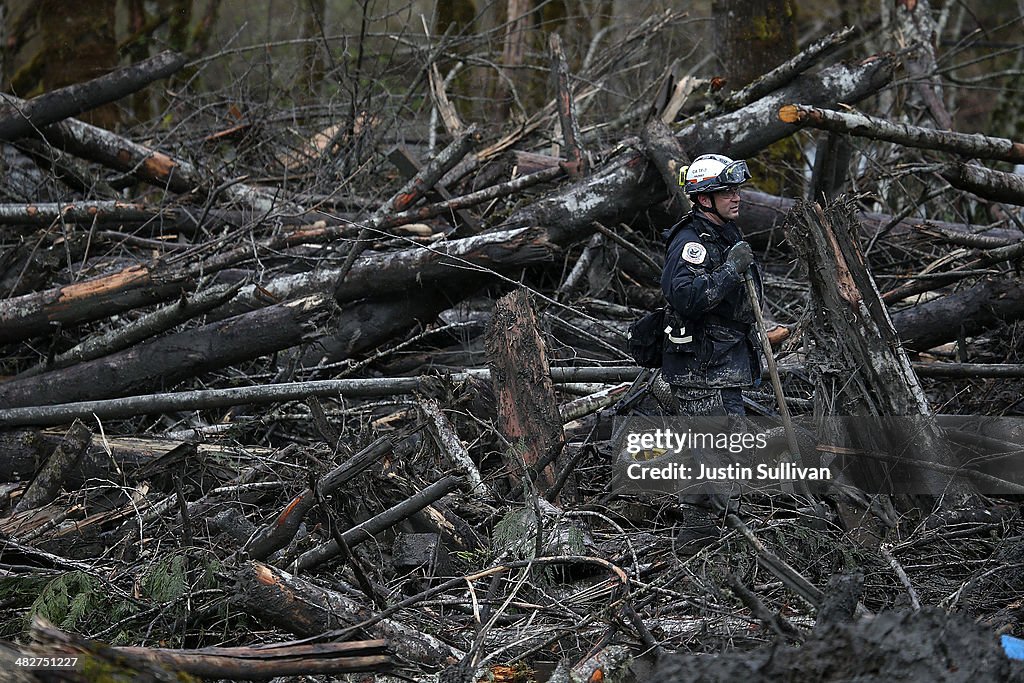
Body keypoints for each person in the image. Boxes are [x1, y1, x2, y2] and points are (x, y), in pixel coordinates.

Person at [660, 153, 763, 416]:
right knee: (722, 456)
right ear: (705, 199)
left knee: (731, 454)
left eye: (736, 190)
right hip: (702, 377)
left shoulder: (723, 232)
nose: (736, 197)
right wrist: (731, 270)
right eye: (727, 192)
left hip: (722, 369)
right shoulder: (690, 241)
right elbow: (685, 297)